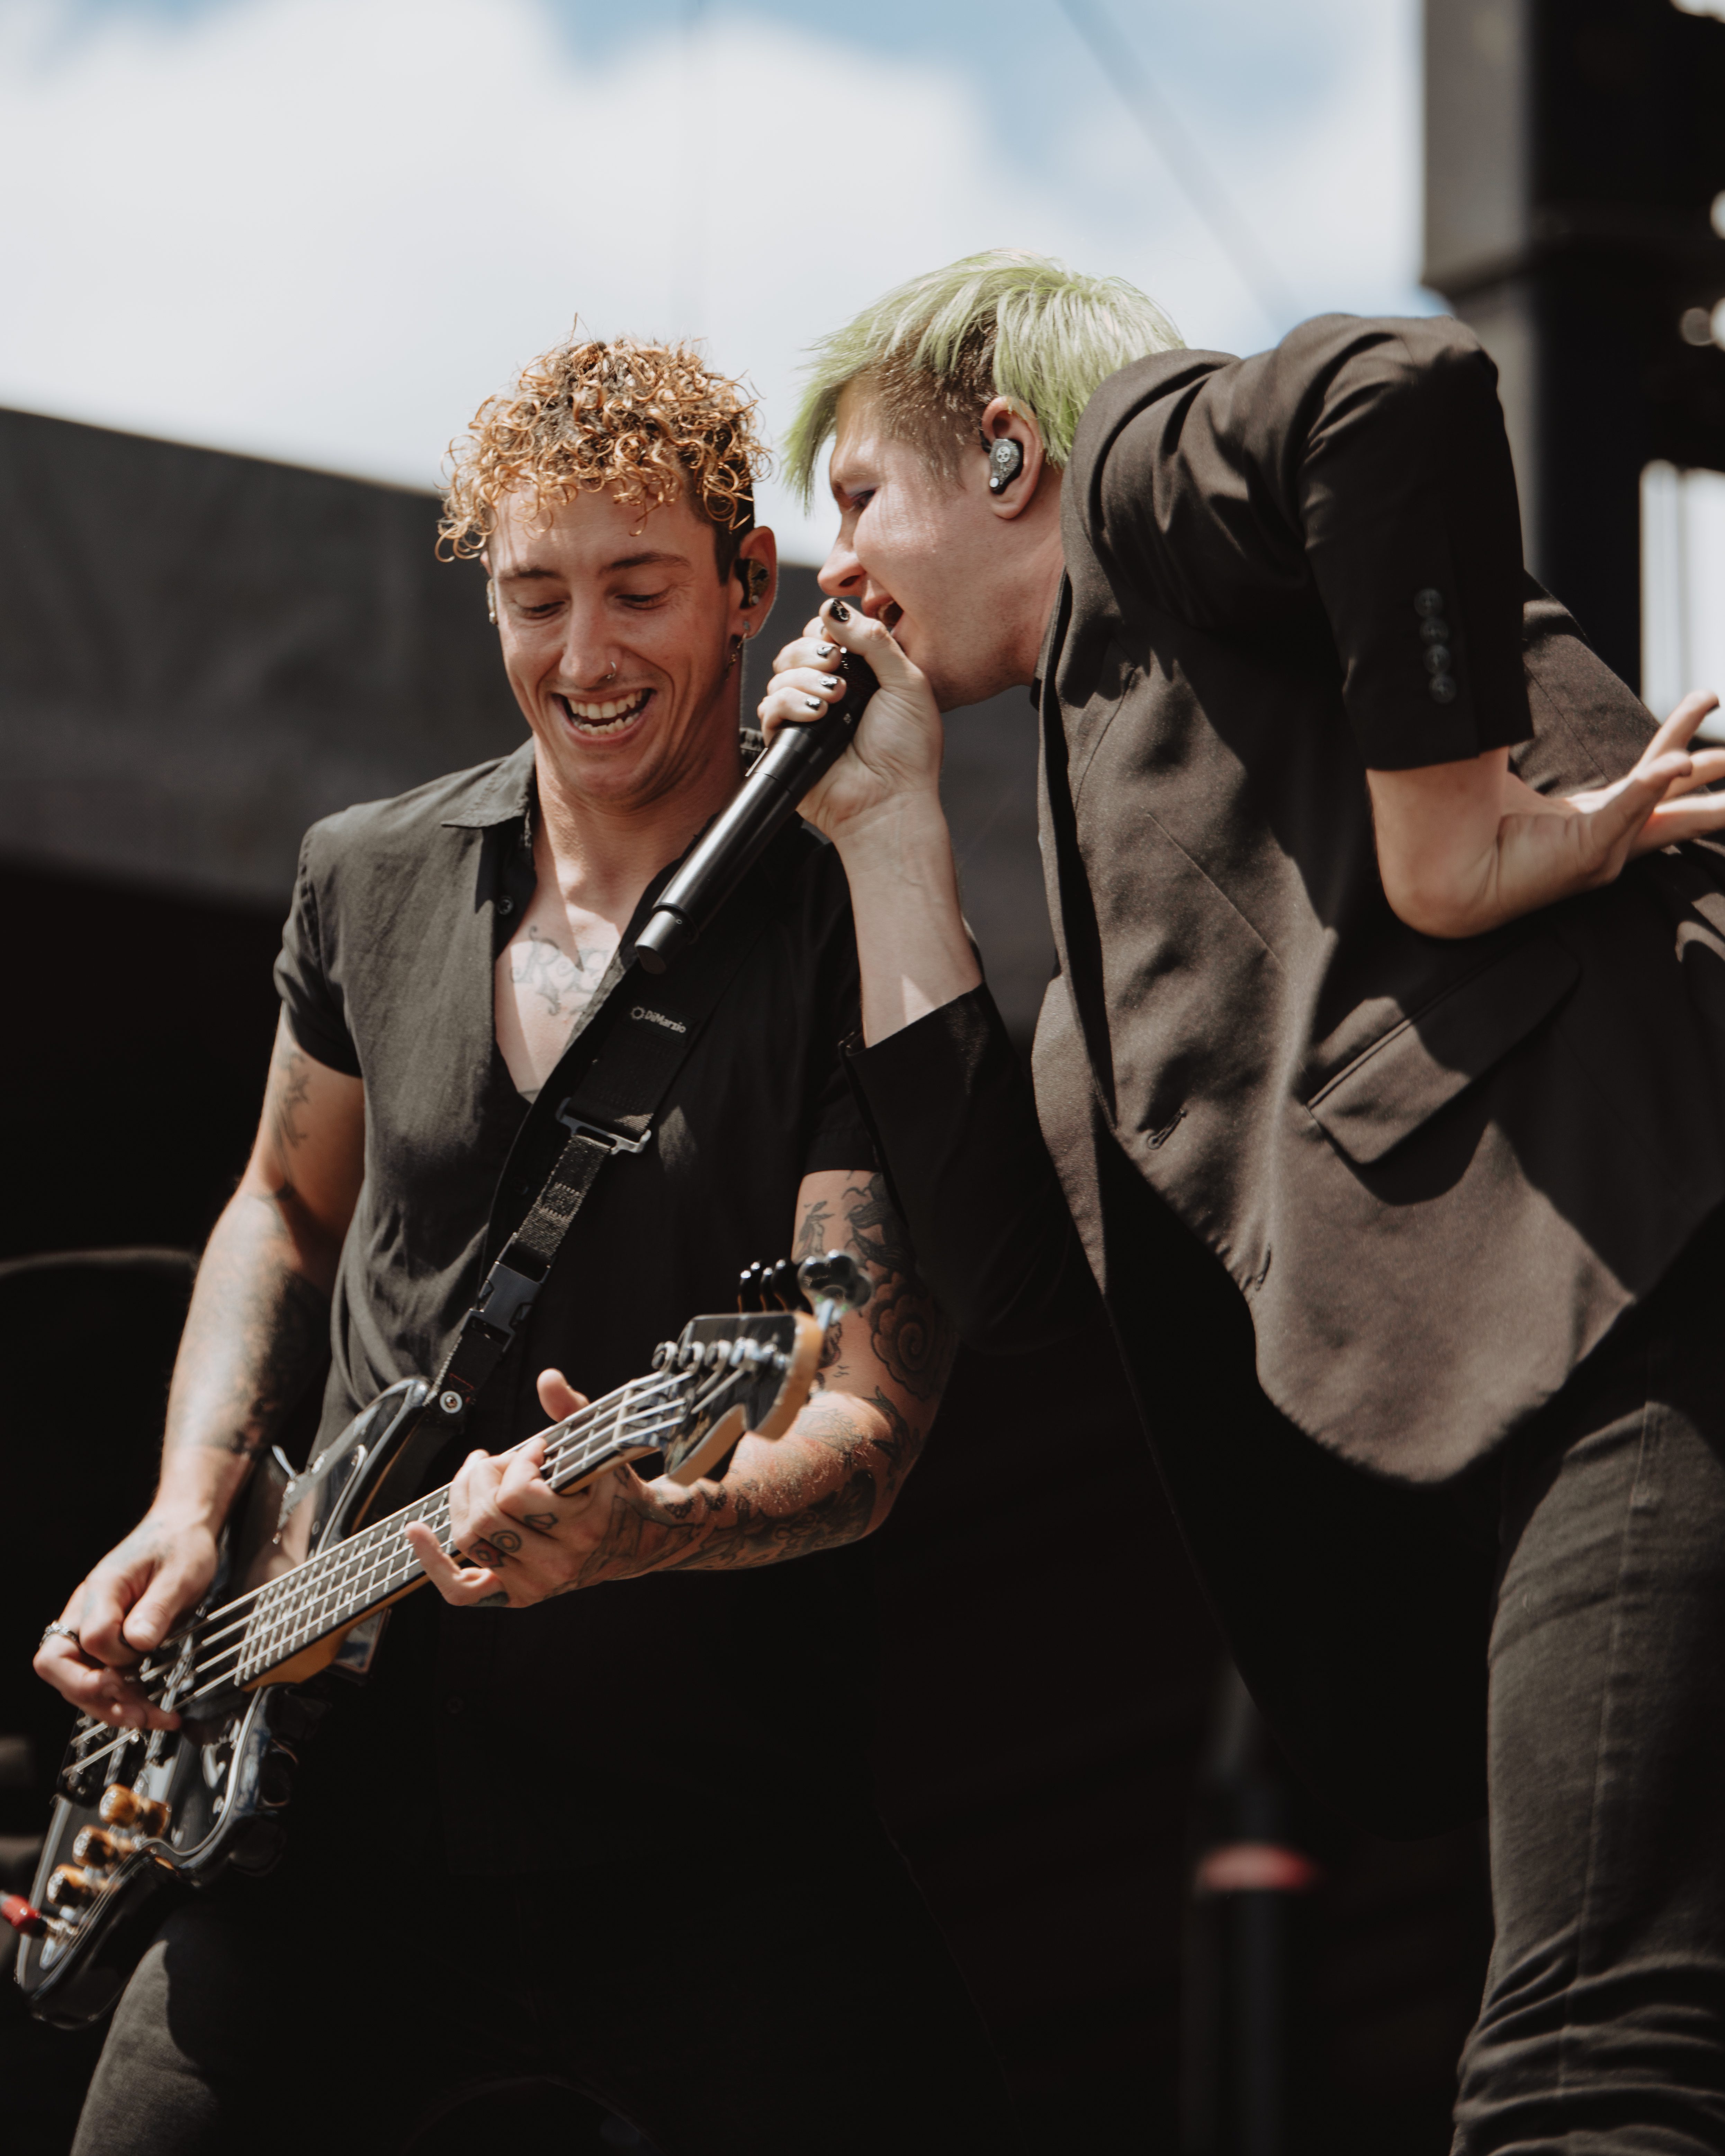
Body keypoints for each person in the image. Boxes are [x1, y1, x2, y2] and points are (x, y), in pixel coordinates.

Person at [758, 250, 1725, 2153]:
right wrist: (881, 830)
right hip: (1581, 1364)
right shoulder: (1113, 974)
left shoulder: (1139, 476)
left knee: (1581, 2058)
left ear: (1008, 455)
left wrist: (1444, 833)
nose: (834, 569)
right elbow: (1020, 1284)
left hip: (1658, 1271)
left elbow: (1394, 389)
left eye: (858, 495)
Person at [33, 333, 1023, 2156]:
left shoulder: (852, 932)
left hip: (708, 1827)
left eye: (639, 589)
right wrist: (188, 1504)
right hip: (320, 1806)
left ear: (749, 584)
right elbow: (281, 1203)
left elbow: (867, 1414)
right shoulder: (368, 873)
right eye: (535, 596)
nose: (583, 656)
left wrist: (658, 1528)